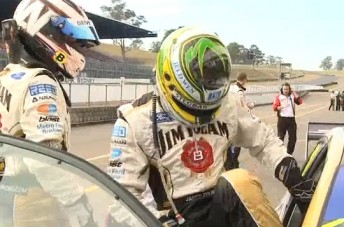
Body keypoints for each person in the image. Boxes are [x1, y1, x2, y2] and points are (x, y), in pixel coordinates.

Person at [107, 26, 316, 227]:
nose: (200, 115)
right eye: (194, 106)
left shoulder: (229, 102)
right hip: (170, 217)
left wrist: (294, 177)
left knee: (241, 181)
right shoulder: (133, 120)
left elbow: (263, 140)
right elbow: (121, 197)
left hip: (221, 206)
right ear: (167, 79)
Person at [0, 0, 100, 226]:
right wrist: (76, 202)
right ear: (44, 32)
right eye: (69, 38)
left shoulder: (8, 75)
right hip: (33, 198)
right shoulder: (41, 82)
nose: (76, 46)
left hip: (7, 190)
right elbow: (44, 158)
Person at [225, 72, 255, 170]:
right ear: (244, 79)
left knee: (230, 143)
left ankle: (230, 163)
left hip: (228, 118)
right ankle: (233, 166)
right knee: (236, 143)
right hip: (237, 119)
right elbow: (242, 106)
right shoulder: (239, 91)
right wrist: (250, 110)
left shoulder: (231, 88)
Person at [273, 82, 302, 155]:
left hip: (291, 120)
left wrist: (294, 92)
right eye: (284, 89)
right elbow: (274, 107)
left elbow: (300, 102)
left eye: (287, 89)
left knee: (293, 138)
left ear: (289, 89)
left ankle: (289, 154)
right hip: (282, 120)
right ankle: (279, 154)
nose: (285, 91)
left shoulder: (292, 96)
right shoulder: (279, 97)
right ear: (282, 90)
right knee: (280, 138)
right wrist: (278, 108)